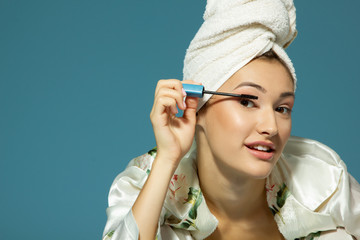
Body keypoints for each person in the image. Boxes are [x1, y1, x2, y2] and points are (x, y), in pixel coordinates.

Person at [102, 0, 360, 239]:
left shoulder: (321, 180)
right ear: (197, 107)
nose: (270, 127)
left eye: (282, 108)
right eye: (247, 101)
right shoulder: (147, 182)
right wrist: (168, 158)